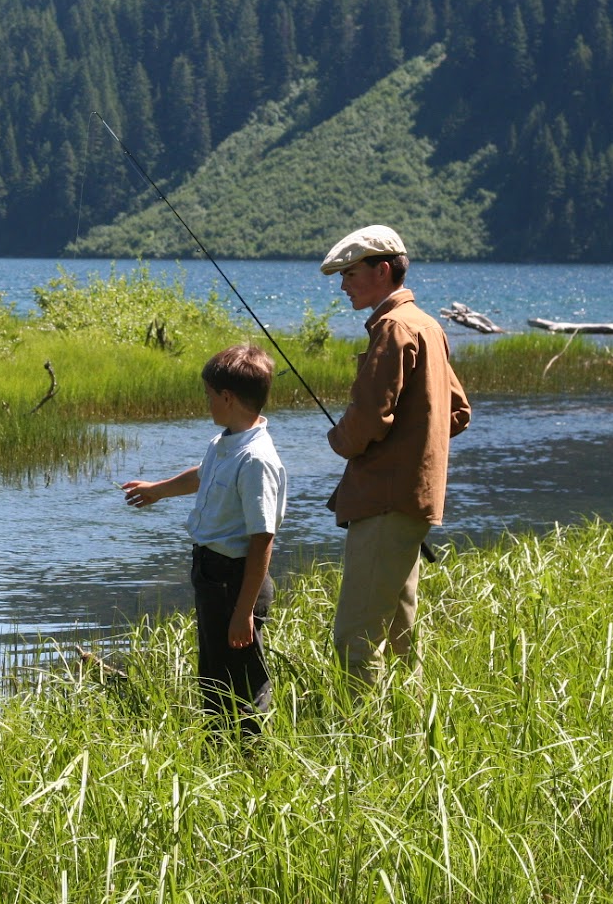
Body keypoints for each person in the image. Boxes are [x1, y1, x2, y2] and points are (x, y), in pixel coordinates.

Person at [321, 224, 470, 689]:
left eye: (349, 273)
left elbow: (366, 421)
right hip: (413, 502)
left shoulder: (392, 327)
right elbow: (458, 412)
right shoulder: (427, 324)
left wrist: (340, 440)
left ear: (382, 270)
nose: (343, 284)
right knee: (400, 636)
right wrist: (417, 441)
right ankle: (411, 735)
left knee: (354, 638)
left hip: (384, 502)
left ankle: (363, 743)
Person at [121, 343, 287, 735]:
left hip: (237, 580)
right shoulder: (226, 442)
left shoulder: (256, 460)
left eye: (210, 395)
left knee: (245, 682)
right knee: (213, 675)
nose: (206, 402)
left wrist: (243, 612)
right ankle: (219, 753)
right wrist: (158, 490)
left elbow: (262, 539)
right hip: (212, 573)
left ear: (227, 398)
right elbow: (203, 474)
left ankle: (253, 761)